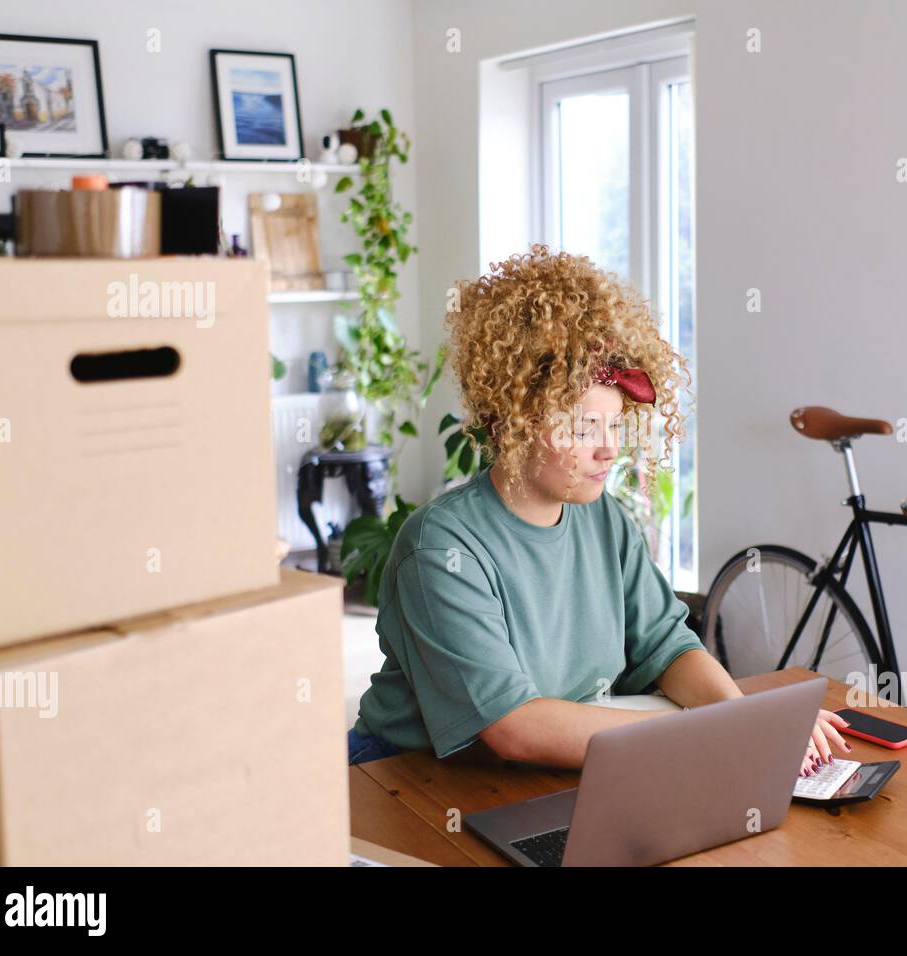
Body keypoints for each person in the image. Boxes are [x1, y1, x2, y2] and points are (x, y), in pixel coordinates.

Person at [349, 244, 851, 774]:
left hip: (543, 772)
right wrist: (709, 733)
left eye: (615, 426)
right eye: (586, 428)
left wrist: (746, 716)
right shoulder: (441, 547)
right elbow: (514, 726)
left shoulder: (603, 518)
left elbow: (665, 644)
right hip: (406, 780)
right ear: (516, 424)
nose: (609, 449)